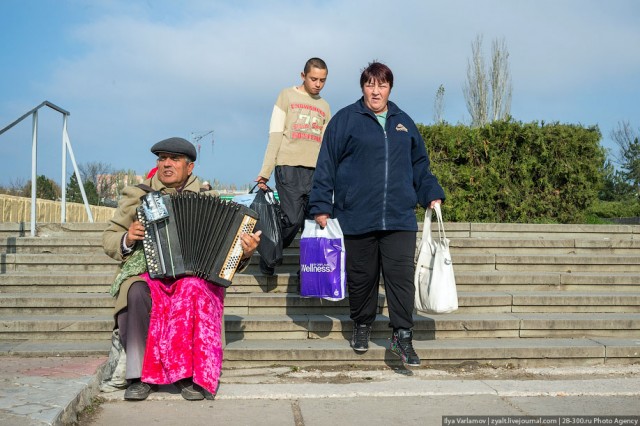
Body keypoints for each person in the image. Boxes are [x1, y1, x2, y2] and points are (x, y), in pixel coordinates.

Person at [308, 61, 445, 367]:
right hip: (357, 215)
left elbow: (420, 165)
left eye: (382, 85)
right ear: (363, 87)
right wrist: (320, 205)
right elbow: (326, 163)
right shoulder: (345, 120)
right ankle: (361, 324)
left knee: (400, 279)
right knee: (361, 278)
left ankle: (402, 336)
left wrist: (431, 193)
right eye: (370, 84)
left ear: (390, 88)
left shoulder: (403, 122)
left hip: (398, 216)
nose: (376, 91)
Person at [102, 137, 261, 401]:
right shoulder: (138, 195)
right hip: (147, 271)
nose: (166, 164)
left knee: (193, 287)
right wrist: (128, 237)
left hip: (191, 276)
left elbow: (226, 257)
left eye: (174, 159)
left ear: (190, 168)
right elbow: (109, 237)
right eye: (162, 158)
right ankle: (139, 376)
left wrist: (244, 253)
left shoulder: (209, 198)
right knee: (136, 291)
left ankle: (187, 376)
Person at [255, 57, 331, 276]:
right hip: (288, 166)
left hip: (315, 171)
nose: (318, 84)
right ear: (303, 76)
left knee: (311, 221)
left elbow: (326, 147)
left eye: (323, 80)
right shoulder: (286, 96)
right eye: (314, 79)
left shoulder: (325, 106)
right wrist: (265, 173)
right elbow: (275, 135)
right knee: (292, 219)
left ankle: (305, 273)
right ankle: (269, 254)